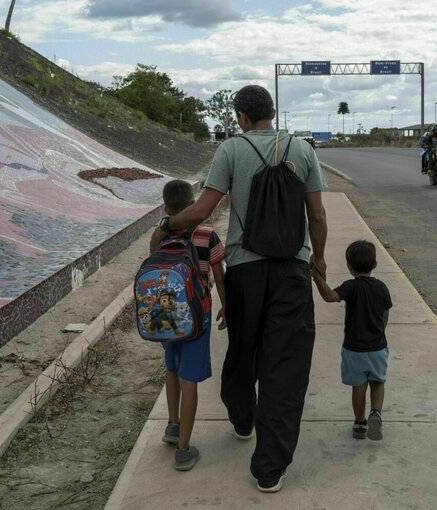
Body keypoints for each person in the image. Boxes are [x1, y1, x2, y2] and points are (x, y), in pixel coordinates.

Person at [153, 84, 327, 492]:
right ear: (271, 113)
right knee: (285, 367)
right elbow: (316, 215)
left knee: (243, 351)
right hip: (292, 272)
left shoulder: (231, 149)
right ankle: (269, 468)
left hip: (245, 271)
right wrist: (317, 258)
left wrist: (167, 227)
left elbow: (201, 211)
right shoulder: (302, 150)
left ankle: (242, 417)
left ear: (242, 118)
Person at [152, 179, 227, 471]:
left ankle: (172, 426)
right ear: (193, 205)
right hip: (197, 315)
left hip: (166, 314)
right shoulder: (206, 235)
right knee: (189, 380)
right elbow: (219, 277)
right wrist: (227, 307)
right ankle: (183, 450)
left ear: (166, 206)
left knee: (171, 369)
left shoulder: (158, 235)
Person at [311, 240, 392, 441]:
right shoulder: (381, 288)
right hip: (377, 347)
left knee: (359, 386)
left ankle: (359, 423)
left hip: (354, 348)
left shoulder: (351, 287)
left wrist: (316, 277)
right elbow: (385, 316)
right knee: (378, 381)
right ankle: (376, 413)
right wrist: (380, 333)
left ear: (349, 266)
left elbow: (330, 296)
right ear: (374, 265)